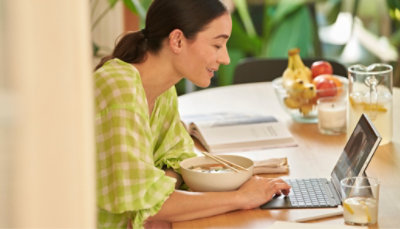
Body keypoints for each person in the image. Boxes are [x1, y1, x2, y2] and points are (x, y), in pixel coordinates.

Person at [94, 0, 291, 228]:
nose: (225, 59)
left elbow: (180, 162)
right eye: (217, 45)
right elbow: (148, 204)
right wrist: (241, 198)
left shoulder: (162, 89)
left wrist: (162, 190)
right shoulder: (120, 88)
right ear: (177, 40)